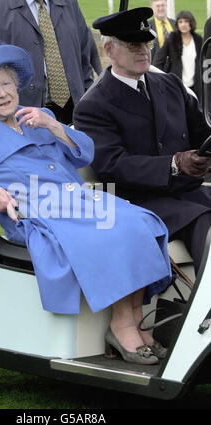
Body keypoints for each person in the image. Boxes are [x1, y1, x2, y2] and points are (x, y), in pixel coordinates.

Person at [0, 43, 172, 365]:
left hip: (79, 204)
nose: (2, 93)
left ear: (17, 86)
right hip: (38, 216)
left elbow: (85, 154)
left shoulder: (39, 118)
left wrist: (53, 125)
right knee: (114, 231)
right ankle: (122, 325)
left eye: (5, 84)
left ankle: (133, 318)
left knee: (142, 222)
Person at [73, 7, 211, 276]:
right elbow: (112, 165)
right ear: (110, 50)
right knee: (206, 224)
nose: (143, 51)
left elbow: (201, 130)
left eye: (146, 43)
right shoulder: (94, 105)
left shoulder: (169, 84)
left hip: (185, 191)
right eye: (133, 45)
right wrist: (173, 164)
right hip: (138, 202)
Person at [0, 0, 93, 125]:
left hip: (71, 114)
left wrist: (87, 105)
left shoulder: (69, 3)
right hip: (18, 120)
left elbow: (84, 58)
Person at [154, 11, 203, 102]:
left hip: (196, 87)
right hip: (177, 86)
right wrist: (162, 80)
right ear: (177, 24)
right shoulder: (172, 39)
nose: (183, 25)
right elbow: (158, 61)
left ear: (191, 23)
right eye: (180, 22)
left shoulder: (198, 40)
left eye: (186, 21)